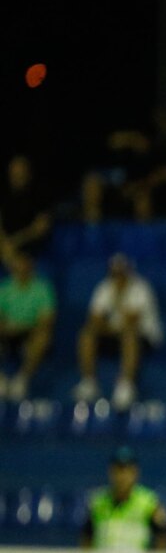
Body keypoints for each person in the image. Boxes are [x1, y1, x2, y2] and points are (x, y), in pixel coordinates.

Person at [74, 252, 164, 410]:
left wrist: (116, 300)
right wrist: (105, 325)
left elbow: (131, 321)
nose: (118, 277)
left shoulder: (140, 288)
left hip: (145, 337)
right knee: (87, 333)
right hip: (114, 334)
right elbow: (94, 319)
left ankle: (125, 386)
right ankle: (89, 383)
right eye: (115, 273)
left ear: (128, 271)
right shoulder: (104, 287)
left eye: (121, 272)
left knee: (129, 335)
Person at [80, 446, 166, 552]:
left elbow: (162, 537)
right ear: (111, 472)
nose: (122, 477)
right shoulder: (97, 502)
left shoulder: (149, 503)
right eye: (118, 470)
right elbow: (86, 539)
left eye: (127, 471)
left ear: (135, 473)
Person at [0, 247, 56, 402]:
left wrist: (20, 327)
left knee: (43, 336)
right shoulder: (4, 288)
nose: (22, 267)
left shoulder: (42, 289)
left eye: (25, 263)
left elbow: (46, 321)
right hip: (6, 334)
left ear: (31, 265)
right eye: (19, 263)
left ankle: (22, 379)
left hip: (30, 333)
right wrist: (6, 328)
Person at [0, 155, 53, 256]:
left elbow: (41, 229)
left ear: (29, 173)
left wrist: (13, 243)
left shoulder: (40, 198)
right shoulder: (5, 198)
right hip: (8, 254)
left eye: (21, 173)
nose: (18, 177)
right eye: (15, 173)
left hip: (35, 253)